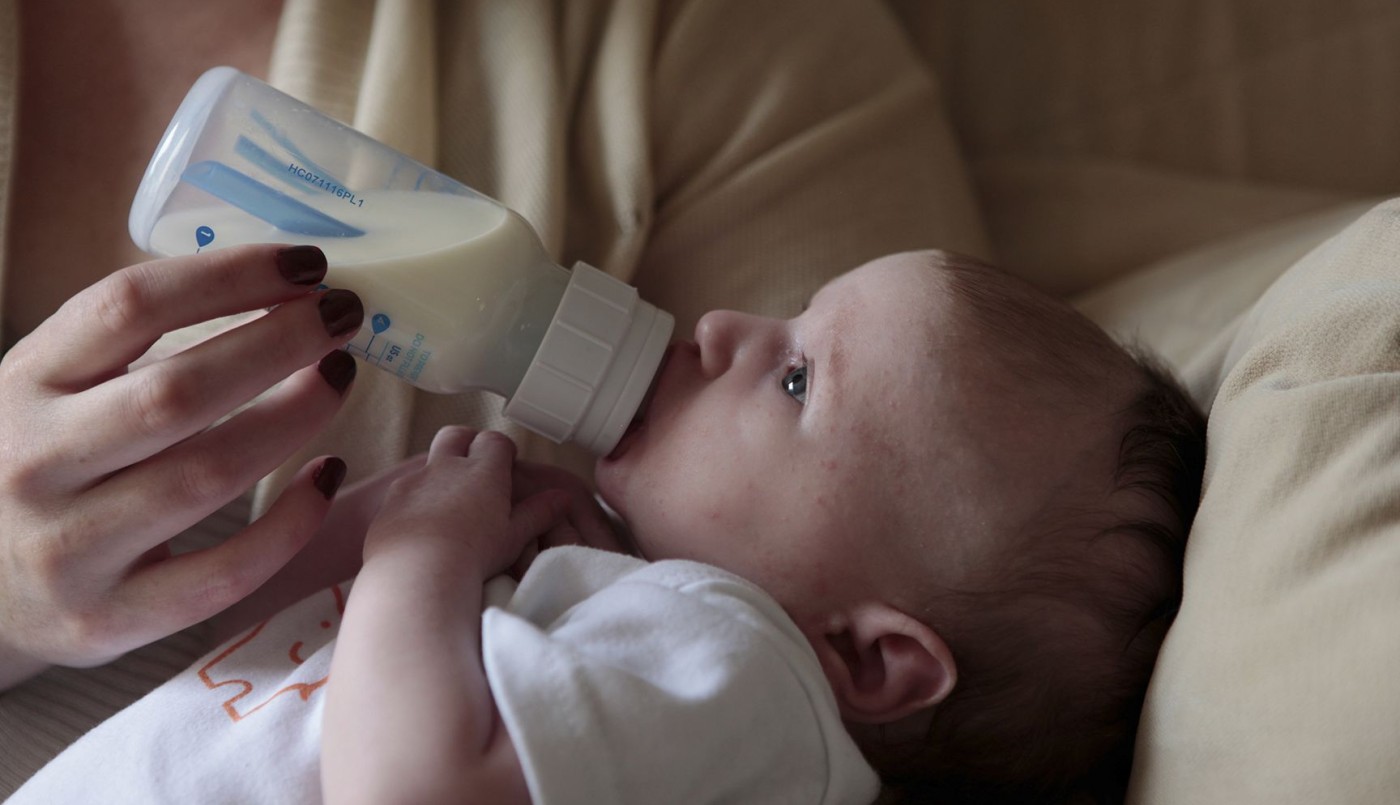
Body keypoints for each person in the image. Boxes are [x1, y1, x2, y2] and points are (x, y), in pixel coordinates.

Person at [8, 250, 1208, 804]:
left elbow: (405, 786)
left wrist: (419, 559)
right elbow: (288, 671)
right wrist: (389, 538)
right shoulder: (631, 638)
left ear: (863, 656)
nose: (729, 323)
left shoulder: (743, 676)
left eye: (796, 379)